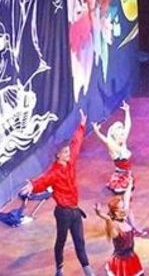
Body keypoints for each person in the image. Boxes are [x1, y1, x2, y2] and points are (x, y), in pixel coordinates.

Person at [20, 109, 95, 276]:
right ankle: (59, 269)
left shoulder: (70, 161)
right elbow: (43, 180)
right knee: (61, 241)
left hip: (75, 211)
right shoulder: (54, 172)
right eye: (65, 152)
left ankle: (88, 271)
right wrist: (32, 186)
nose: (68, 154)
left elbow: (76, 143)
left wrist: (82, 125)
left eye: (68, 152)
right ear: (58, 155)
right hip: (63, 212)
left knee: (80, 242)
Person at [92, 100, 145, 234]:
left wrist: (127, 111)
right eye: (120, 134)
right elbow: (106, 140)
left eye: (122, 134)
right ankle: (129, 227)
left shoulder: (123, 143)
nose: (123, 136)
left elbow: (128, 126)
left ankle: (131, 227)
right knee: (124, 206)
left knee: (127, 205)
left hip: (128, 177)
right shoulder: (114, 148)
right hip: (120, 179)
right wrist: (97, 132)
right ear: (115, 136)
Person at [94, 196, 144, 276]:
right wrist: (99, 213)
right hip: (121, 263)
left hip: (132, 259)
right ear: (116, 212)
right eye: (122, 208)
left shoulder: (125, 221)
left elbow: (128, 209)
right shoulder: (114, 227)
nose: (125, 209)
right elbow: (108, 219)